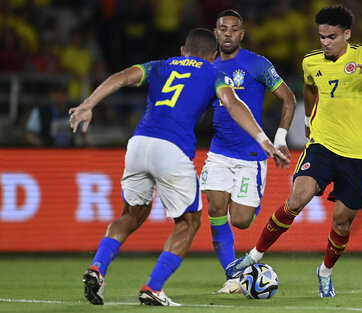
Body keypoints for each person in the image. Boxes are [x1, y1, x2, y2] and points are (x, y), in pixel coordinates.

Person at [69, 28, 289, 306]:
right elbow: (233, 105)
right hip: (171, 148)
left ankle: (98, 267)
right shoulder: (214, 73)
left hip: (138, 143)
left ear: (183, 51)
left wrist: (88, 104)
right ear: (213, 55)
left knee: (130, 215)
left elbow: (120, 77)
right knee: (189, 222)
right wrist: (263, 140)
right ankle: (153, 287)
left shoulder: (160, 65)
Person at [225, 5, 362, 298]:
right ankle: (254, 255)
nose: (325, 42)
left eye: (331, 36)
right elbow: (309, 86)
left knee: (341, 221)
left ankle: (325, 272)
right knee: (296, 200)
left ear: (347, 34)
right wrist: (307, 122)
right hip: (322, 146)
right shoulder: (311, 61)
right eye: (321, 36)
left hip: (356, 154)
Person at [200, 9, 296, 294]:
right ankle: (232, 277)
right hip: (218, 151)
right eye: (222, 28)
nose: (228, 33)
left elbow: (288, 98)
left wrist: (279, 139)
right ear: (215, 33)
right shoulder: (207, 66)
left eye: (234, 29)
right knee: (216, 209)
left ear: (242, 34)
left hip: (251, 156)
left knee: (240, 221)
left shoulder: (257, 64)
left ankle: (243, 259)